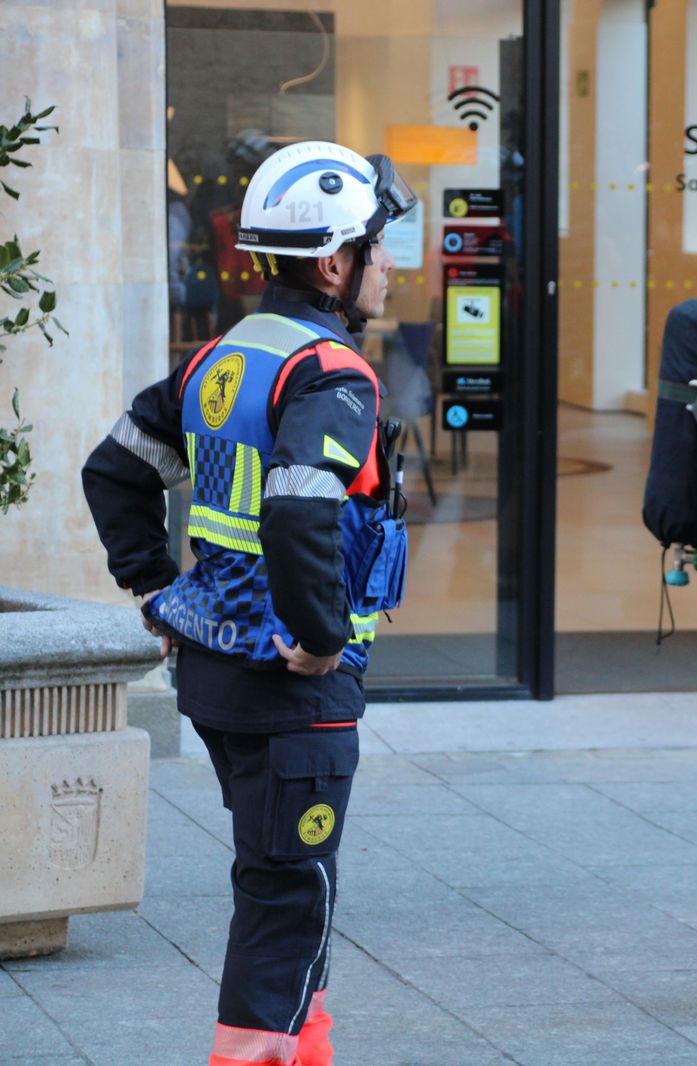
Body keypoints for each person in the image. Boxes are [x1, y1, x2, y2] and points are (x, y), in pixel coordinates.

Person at [81, 139, 412, 1066]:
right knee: (288, 894)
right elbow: (302, 509)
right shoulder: (332, 373)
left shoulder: (221, 358)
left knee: (284, 879)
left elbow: (113, 469)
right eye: (378, 245)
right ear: (336, 262)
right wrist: (319, 636)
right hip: (289, 684)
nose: (389, 265)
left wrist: (155, 588)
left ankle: (307, 1050)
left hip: (220, 677)